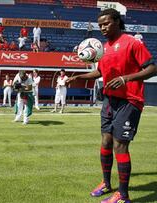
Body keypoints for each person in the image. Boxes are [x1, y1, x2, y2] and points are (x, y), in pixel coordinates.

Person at [67, 8, 157, 203]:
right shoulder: (103, 48)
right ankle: (106, 183)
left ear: (117, 21)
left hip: (130, 101)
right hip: (109, 101)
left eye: (106, 23)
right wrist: (79, 76)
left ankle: (123, 196)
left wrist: (126, 78)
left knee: (120, 145)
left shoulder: (132, 43)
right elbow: (100, 72)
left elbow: (152, 68)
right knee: (106, 142)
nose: (103, 28)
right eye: (100, 25)